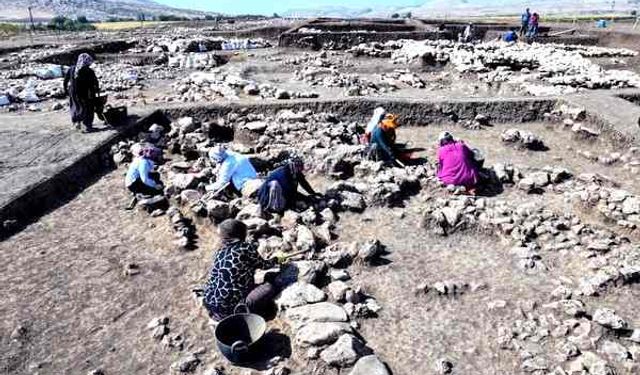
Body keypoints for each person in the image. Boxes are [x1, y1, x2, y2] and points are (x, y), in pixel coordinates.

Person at [203, 219, 283, 320]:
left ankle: (220, 314)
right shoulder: (245, 248)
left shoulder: (219, 252)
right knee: (270, 287)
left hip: (210, 302)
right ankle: (241, 310)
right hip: (229, 308)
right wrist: (276, 259)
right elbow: (264, 265)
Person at [63, 53, 100, 132]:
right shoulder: (89, 71)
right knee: (88, 108)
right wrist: (95, 92)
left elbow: (65, 81)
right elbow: (94, 83)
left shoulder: (72, 69)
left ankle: (77, 123)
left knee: (76, 107)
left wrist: (66, 90)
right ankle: (87, 126)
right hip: (85, 93)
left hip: (73, 92)